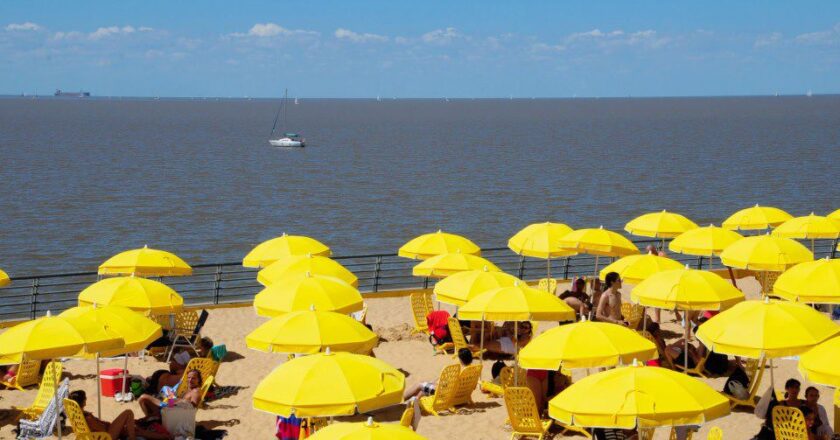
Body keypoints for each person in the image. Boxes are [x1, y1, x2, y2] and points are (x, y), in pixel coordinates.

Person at [68, 390, 170, 440]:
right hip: (107, 436)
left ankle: (163, 437)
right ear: (84, 402)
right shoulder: (88, 418)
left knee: (135, 429)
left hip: (103, 433)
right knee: (128, 413)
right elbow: (103, 430)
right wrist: (117, 427)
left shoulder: (77, 415)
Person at [404, 348, 473, 399]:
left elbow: (447, 385)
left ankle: (402, 398)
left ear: (460, 359)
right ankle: (414, 401)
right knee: (423, 390)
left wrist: (435, 383)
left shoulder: (459, 370)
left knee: (419, 384)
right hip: (459, 395)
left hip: (446, 394)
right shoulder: (473, 370)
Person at [138, 369, 204, 419]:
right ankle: (151, 418)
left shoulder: (195, 392)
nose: (190, 380)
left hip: (171, 413)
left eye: (193, 378)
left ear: (198, 380)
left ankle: (152, 418)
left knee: (143, 398)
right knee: (164, 389)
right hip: (170, 407)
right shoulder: (190, 389)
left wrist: (176, 400)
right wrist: (172, 398)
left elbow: (192, 409)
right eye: (189, 378)